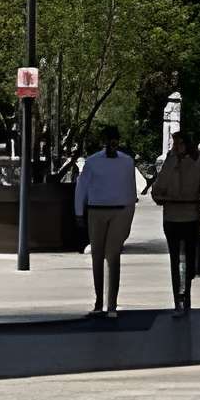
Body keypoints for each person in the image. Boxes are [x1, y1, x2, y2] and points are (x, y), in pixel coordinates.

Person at [73, 126, 139, 318]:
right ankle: (98, 300)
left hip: (119, 212)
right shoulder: (93, 162)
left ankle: (111, 304)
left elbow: (131, 193)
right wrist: (79, 212)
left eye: (115, 139)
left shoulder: (127, 162)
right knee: (97, 256)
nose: (112, 143)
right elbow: (82, 188)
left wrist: (128, 221)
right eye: (109, 139)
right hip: (96, 210)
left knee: (113, 256)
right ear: (104, 141)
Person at [153, 131, 200, 311]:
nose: (176, 147)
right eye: (174, 144)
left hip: (188, 216)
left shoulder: (197, 164)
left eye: (179, 144)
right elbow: (158, 189)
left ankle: (184, 293)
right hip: (173, 216)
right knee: (177, 258)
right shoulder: (170, 163)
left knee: (186, 257)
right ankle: (179, 296)